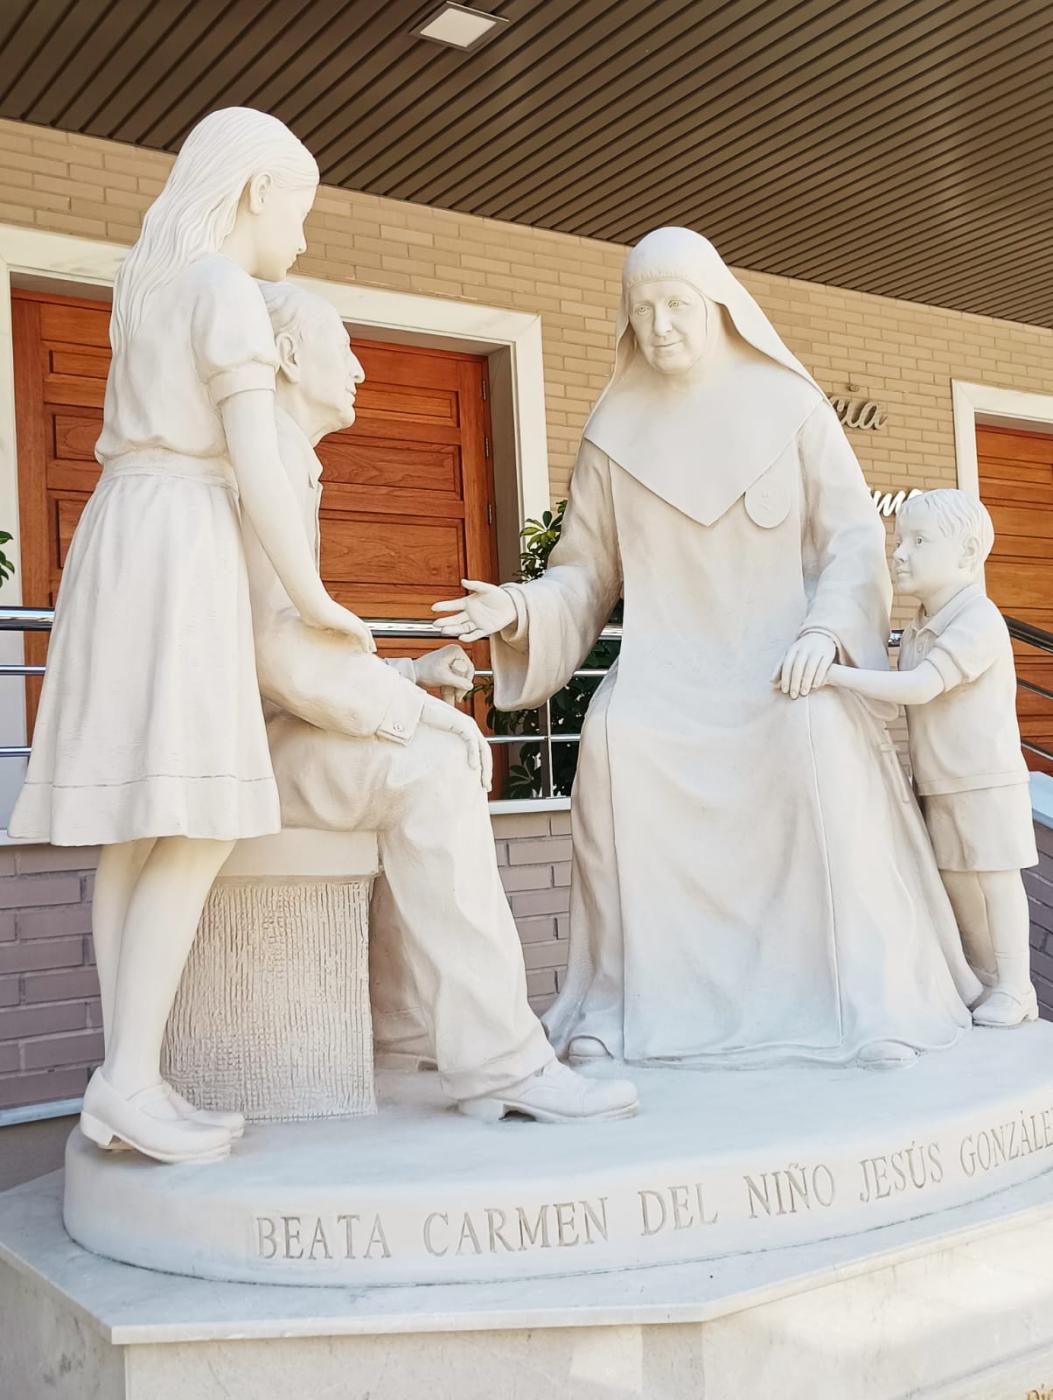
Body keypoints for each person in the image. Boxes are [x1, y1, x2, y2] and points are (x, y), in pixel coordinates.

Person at [434, 226, 980, 1070]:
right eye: (641, 311)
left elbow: (849, 543)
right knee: (616, 739)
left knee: (817, 739)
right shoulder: (615, 426)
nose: (659, 328)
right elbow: (584, 570)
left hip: (781, 662)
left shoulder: (788, 405)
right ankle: (619, 1011)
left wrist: (825, 632)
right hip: (668, 670)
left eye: (676, 306)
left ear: (717, 305)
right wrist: (519, 607)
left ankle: (864, 1008)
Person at [9, 108, 374, 1165]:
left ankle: (124, 1079)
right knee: (202, 812)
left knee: (139, 820)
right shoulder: (221, 290)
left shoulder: (146, 281)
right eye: (299, 212)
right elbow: (259, 459)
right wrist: (315, 593)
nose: (300, 242)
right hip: (179, 542)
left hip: (123, 529)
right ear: (258, 192)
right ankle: (127, 1076)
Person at [247, 279, 638, 1124]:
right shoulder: (261, 457)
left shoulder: (287, 457)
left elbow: (290, 646)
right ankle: (499, 1061)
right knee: (431, 764)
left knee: (423, 761)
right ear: (285, 357)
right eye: (341, 346)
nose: (357, 368)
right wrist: (410, 712)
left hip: (265, 736)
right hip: (238, 754)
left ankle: (402, 1034)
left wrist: (410, 677)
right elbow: (270, 647)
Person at [813, 489, 1038, 1028]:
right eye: (898, 540)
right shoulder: (916, 627)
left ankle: (1016, 985)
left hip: (984, 782)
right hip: (937, 782)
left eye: (918, 541)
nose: (900, 553)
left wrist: (833, 673)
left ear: (965, 554)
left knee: (995, 883)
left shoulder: (978, 620)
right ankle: (983, 979)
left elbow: (917, 688)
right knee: (959, 886)